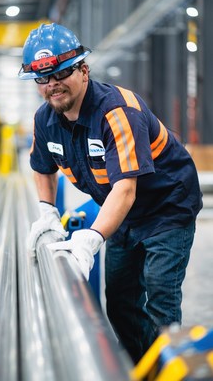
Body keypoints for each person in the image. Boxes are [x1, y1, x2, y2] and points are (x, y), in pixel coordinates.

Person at [18, 23, 203, 364]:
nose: (52, 85)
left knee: (160, 295)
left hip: (167, 207)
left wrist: (91, 238)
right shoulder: (45, 120)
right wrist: (47, 212)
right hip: (119, 213)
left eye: (60, 73)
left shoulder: (117, 112)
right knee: (119, 303)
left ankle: (172, 368)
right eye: (42, 79)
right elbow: (42, 167)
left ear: (83, 70)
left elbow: (126, 188)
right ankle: (145, 365)